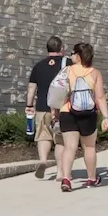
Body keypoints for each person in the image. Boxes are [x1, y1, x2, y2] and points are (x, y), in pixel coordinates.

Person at [54, 43, 108, 192]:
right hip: (88, 114)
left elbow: (56, 92)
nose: (71, 56)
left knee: (69, 147)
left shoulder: (66, 71)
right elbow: (100, 97)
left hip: (67, 111)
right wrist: (105, 117)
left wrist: (54, 111)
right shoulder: (95, 73)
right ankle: (91, 179)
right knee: (89, 147)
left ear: (78, 56)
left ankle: (66, 178)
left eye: (73, 53)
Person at [25, 36, 68, 179]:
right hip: (61, 108)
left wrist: (29, 105)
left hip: (42, 107)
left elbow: (31, 88)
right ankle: (60, 172)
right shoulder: (67, 63)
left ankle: (43, 160)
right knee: (60, 139)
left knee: (43, 136)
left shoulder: (38, 66)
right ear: (61, 48)